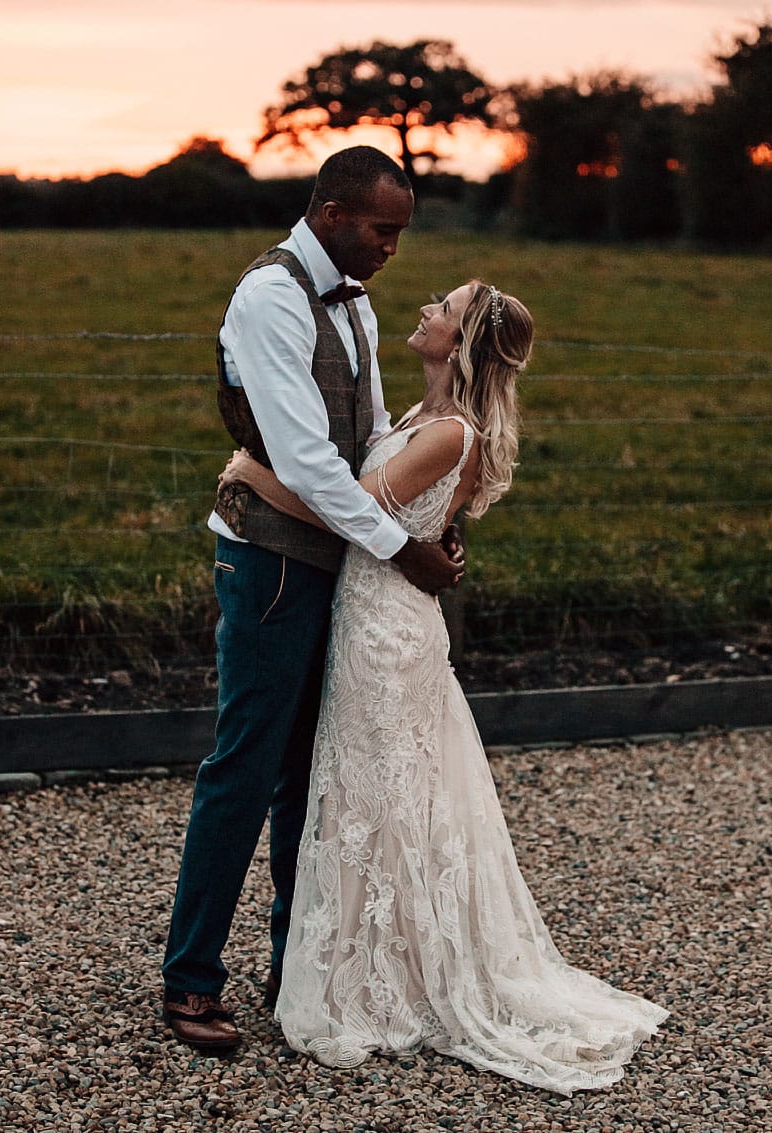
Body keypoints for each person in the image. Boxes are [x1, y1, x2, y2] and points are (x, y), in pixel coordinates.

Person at [221, 280, 667, 1092]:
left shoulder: (448, 432)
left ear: (460, 343)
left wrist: (248, 475)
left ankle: (384, 975)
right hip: (372, 617)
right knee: (374, 799)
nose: (426, 307)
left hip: (387, 633)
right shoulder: (417, 421)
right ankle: (378, 958)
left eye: (444, 306)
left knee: (378, 796)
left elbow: (351, 513)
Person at [161, 146, 462, 1054]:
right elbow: (302, 460)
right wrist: (401, 549)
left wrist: (429, 511)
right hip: (272, 562)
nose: (393, 250)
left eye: (401, 231)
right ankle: (190, 980)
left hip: (341, 561)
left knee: (310, 772)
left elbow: (369, 440)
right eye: (382, 229)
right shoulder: (272, 296)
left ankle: (297, 965)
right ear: (330, 212)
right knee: (244, 767)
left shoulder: (357, 303)